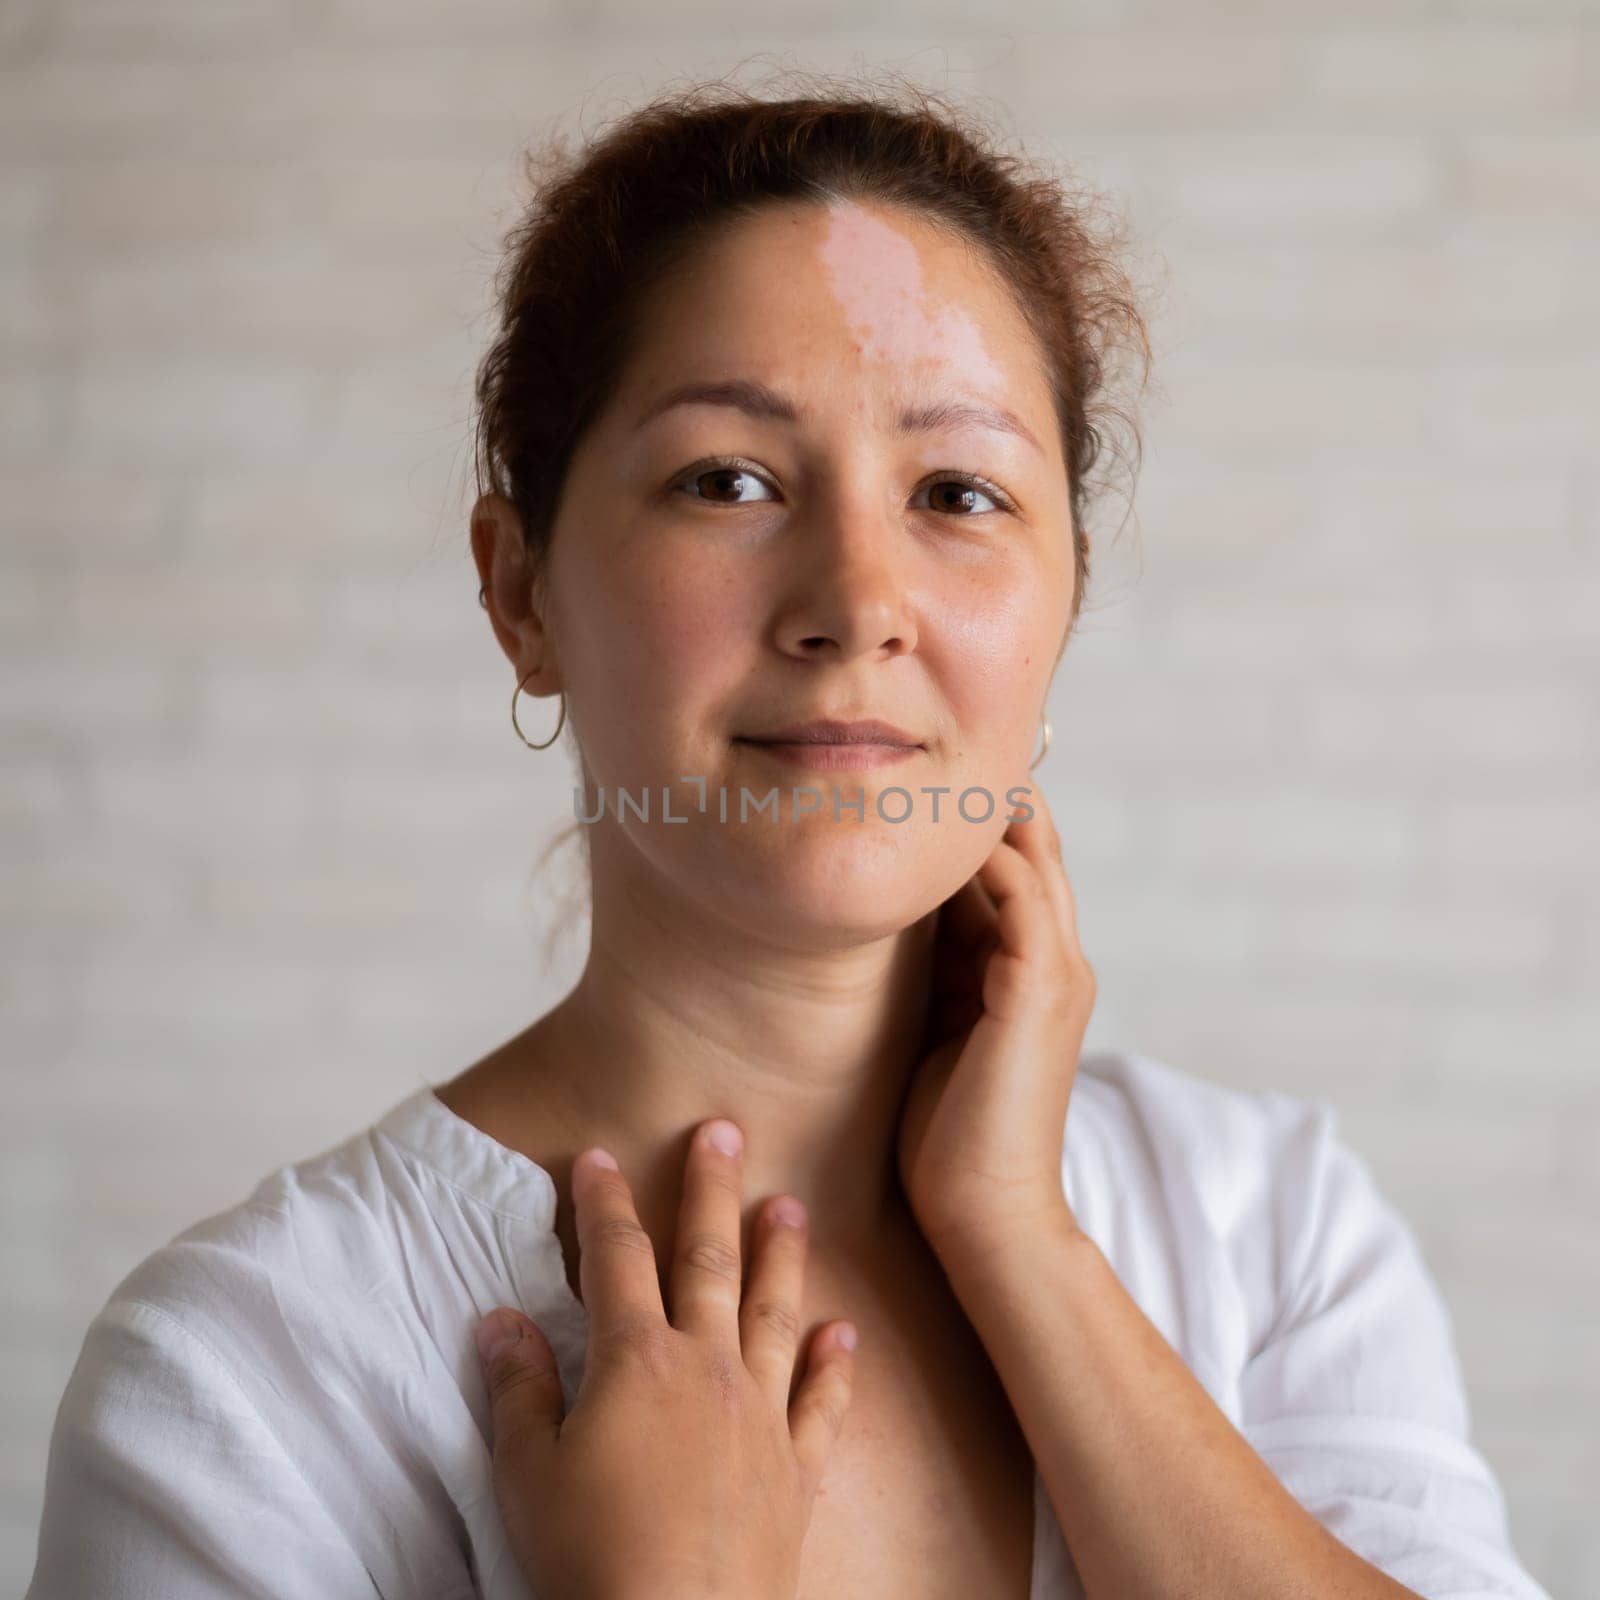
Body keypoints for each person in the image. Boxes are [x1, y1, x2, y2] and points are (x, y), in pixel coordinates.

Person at [27, 74, 1552, 1600]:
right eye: (729, 481)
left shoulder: (1269, 1226)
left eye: (959, 492)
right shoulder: (242, 1379)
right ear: (521, 594)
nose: (859, 604)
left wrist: (1024, 1242)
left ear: (1066, 599)